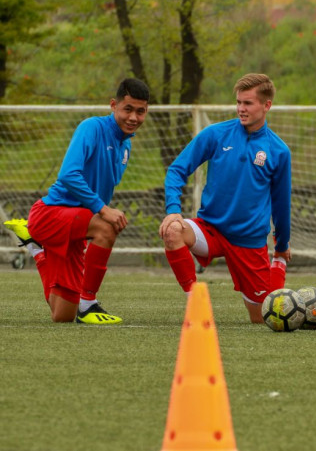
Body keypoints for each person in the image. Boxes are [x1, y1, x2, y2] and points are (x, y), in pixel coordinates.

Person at [3, 78, 150, 323]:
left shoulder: (125, 147)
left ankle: (36, 249)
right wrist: (102, 210)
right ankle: (89, 302)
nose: (133, 117)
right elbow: (69, 175)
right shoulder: (91, 127)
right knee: (107, 226)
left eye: (140, 111)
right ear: (113, 105)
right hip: (51, 214)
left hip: (76, 224)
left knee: (61, 316)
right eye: (128, 109)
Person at [159, 73, 291, 323]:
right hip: (210, 230)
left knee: (264, 319)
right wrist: (173, 209)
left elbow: (282, 205)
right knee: (173, 231)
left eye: (248, 103)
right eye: (239, 102)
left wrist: (282, 247)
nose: (241, 108)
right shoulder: (216, 134)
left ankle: (278, 264)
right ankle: (195, 302)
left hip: (249, 241)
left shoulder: (279, 151)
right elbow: (177, 169)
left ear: (267, 105)